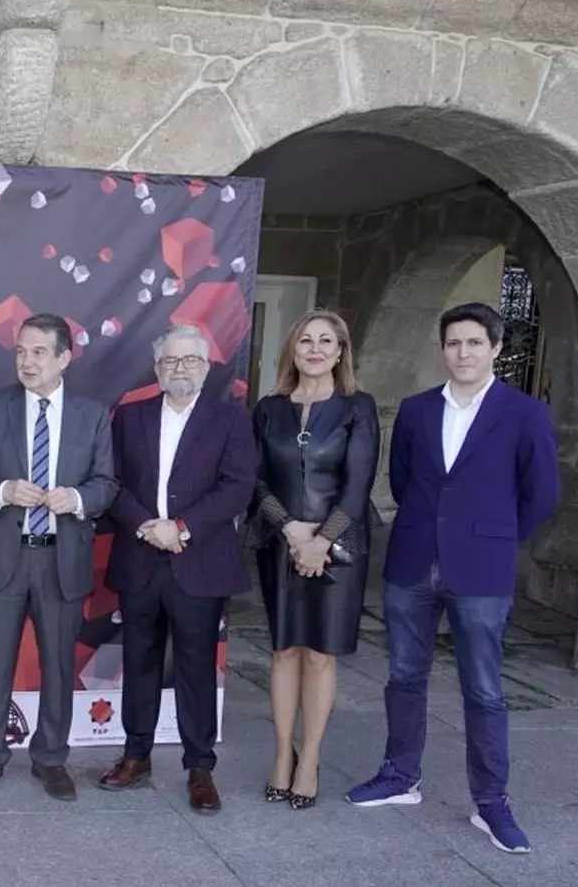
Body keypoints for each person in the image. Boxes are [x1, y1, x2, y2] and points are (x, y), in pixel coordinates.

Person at [345, 302, 559, 854]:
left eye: (474, 343)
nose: (463, 353)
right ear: (442, 349)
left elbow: (541, 494)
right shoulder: (416, 410)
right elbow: (401, 481)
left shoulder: (524, 413)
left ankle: (490, 802)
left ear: (496, 348)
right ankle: (400, 775)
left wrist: (496, 538)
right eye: (454, 343)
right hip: (413, 561)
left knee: (484, 688)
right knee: (403, 676)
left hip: (481, 568)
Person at [0, 313, 118, 801]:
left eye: (39, 352)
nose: (26, 362)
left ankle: (50, 758)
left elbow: (107, 484)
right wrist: (4, 490)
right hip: (2, 559)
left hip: (61, 559)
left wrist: (78, 499)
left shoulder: (93, 414)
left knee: (59, 665)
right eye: (21, 352)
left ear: (65, 357)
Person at [98, 324, 256, 814]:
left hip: (199, 560)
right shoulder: (130, 417)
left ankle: (200, 767)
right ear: (157, 368)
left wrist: (182, 527)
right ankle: (136, 755)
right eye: (171, 360)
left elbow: (238, 486)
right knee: (139, 662)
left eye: (190, 360)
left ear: (206, 368)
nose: (180, 368)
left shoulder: (229, 419)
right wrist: (146, 525)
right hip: (140, 556)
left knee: (195, 666)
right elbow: (111, 481)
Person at [250, 310, 378, 810]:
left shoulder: (357, 407)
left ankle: (311, 760)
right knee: (284, 651)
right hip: (280, 540)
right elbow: (254, 478)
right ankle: (284, 754)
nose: (316, 349)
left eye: (327, 341)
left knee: (320, 655)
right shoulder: (269, 409)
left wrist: (320, 541)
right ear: (293, 350)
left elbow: (358, 483)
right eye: (306, 340)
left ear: (341, 351)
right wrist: (289, 528)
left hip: (339, 549)